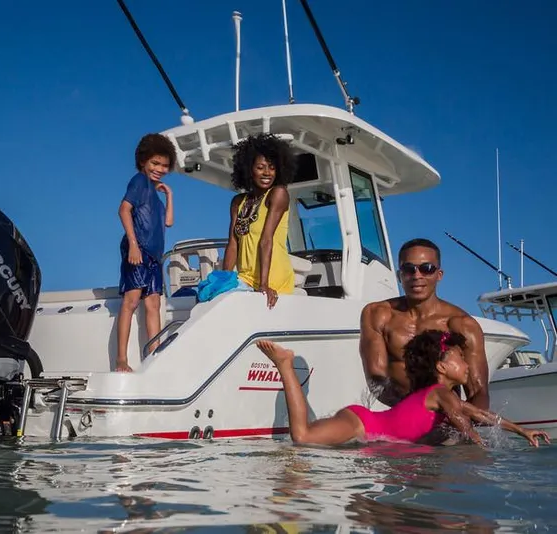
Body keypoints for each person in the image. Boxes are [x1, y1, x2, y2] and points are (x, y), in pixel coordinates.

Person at [256, 331, 550, 447]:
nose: (468, 365)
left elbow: (475, 413)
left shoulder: (442, 395)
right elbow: (464, 421)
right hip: (362, 422)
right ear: (442, 366)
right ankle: (285, 363)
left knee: (306, 435)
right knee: (303, 437)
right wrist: (479, 446)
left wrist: (521, 430)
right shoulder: (441, 393)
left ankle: (285, 366)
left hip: (367, 425)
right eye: (461, 359)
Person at [359, 238, 491, 411]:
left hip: (447, 419)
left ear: (439, 275)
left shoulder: (461, 325)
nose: (417, 275)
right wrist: (415, 411)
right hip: (403, 413)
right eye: (408, 269)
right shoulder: (377, 315)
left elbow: (478, 391)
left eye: (427, 268)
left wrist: (465, 423)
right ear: (400, 276)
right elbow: (376, 379)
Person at [115, 133, 177, 373]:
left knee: (153, 304)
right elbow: (123, 210)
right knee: (130, 302)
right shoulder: (139, 182)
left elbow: (169, 222)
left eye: (164, 165)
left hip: (154, 255)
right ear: (143, 161)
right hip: (138, 249)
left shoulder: (155, 195)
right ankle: (121, 359)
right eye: (155, 163)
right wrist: (132, 244)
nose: (159, 169)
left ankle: (155, 357)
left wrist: (169, 195)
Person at [222, 133, 297, 309]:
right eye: (260, 167)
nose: (267, 173)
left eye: (271, 167)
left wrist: (264, 284)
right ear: (249, 169)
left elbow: (266, 239)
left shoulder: (278, 194)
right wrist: (224, 280)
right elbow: (233, 244)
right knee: (213, 296)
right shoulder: (238, 202)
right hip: (245, 277)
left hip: (272, 277)